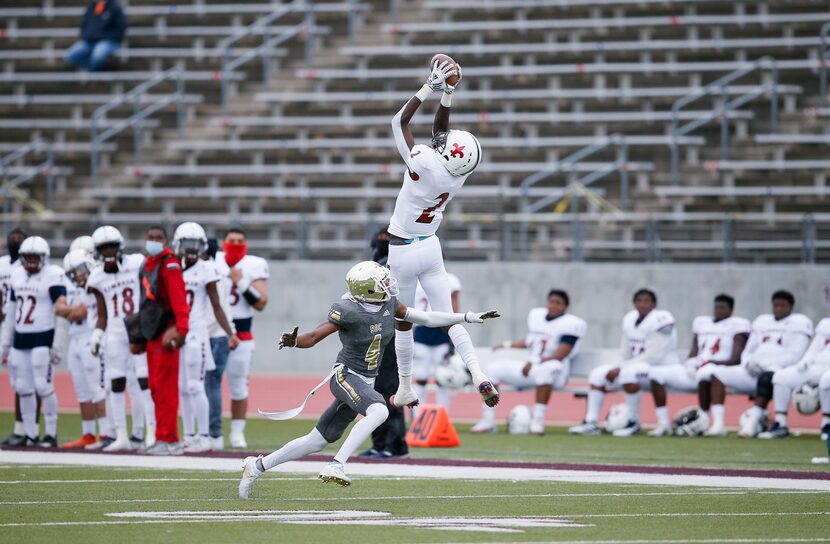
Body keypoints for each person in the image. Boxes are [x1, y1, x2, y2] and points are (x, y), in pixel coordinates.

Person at [238, 261, 498, 497]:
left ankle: (257, 465)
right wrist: (295, 341)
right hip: (345, 375)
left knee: (316, 440)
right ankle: (336, 465)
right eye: (382, 282)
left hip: (365, 381)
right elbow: (316, 336)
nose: (388, 284)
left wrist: (466, 317)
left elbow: (428, 317)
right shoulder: (348, 311)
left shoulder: (388, 303)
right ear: (368, 289)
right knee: (379, 410)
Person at [387, 57, 497, 411]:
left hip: (402, 248)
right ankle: (478, 372)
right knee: (448, 316)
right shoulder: (458, 173)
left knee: (403, 319)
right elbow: (441, 136)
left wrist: (428, 88)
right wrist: (447, 94)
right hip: (431, 246)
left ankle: (405, 386)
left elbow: (399, 122)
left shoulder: (423, 161)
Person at [472, 289, 586, 435]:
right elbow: (530, 341)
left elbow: (561, 354)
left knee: (546, 370)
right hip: (532, 368)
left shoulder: (571, 324)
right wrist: (506, 345)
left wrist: (535, 361)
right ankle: (488, 420)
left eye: (559, 303)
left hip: (556, 371)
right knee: (492, 369)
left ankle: (537, 422)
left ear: (566, 307)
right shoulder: (538, 317)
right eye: (551, 302)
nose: (554, 305)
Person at [569, 289, 677, 437]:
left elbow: (654, 355)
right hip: (635, 368)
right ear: (634, 303)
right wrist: (617, 366)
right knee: (597, 375)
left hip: (661, 368)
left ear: (654, 304)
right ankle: (591, 422)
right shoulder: (629, 319)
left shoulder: (662, 319)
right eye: (639, 301)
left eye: (646, 301)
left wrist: (622, 368)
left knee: (628, 373)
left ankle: (634, 423)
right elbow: (624, 352)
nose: (642, 304)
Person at [87, 225, 155, 451]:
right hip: (115, 332)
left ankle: (151, 433)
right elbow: (102, 314)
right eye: (103, 248)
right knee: (115, 382)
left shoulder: (136, 262)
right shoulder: (96, 277)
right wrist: (97, 336)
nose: (108, 251)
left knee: (145, 381)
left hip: (137, 328)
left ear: (119, 247)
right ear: (97, 250)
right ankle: (121, 436)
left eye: (111, 246)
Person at [710, 290, 812, 438]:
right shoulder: (762, 321)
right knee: (717, 374)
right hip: (752, 369)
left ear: (791, 307)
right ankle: (718, 424)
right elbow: (749, 348)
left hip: (778, 370)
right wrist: (747, 362)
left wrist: (767, 364)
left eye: (783, 306)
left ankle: (752, 423)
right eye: (776, 306)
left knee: (766, 377)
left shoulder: (799, 322)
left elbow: (795, 355)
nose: (779, 309)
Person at [173, 223, 238, 453]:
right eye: (187, 243)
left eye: (195, 243)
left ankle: (204, 436)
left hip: (197, 334)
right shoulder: (173, 267)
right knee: (182, 387)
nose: (191, 248)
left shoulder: (206, 269)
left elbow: (217, 306)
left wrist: (230, 332)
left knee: (195, 386)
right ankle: (189, 436)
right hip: (178, 333)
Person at [0, 237, 70, 447]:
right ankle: (30, 434)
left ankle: (50, 434)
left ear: (44, 258)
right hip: (20, 338)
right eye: (27, 257)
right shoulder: (18, 274)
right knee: (22, 387)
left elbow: (61, 311)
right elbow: (10, 313)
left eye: (35, 257)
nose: (30, 262)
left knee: (43, 385)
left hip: (43, 335)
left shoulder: (53, 275)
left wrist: (57, 343)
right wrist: (5, 344)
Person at [214, 227, 269, 448]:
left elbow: (261, 303)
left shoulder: (253, 265)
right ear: (222, 243)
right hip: (214, 332)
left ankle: (237, 432)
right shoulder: (212, 261)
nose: (235, 243)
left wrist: (241, 282)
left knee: (238, 387)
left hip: (242, 333)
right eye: (231, 240)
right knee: (208, 385)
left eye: (239, 240)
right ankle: (212, 431)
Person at [359, 226, 409, 459]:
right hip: (389, 334)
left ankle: (386, 444)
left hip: (389, 334)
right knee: (386, 390)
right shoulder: (387, 264)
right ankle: (393, 443)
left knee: (383, 389)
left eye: (386, 238)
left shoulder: (389, 268)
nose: (382, 241)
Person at [139, 226, 190, 455]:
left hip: (166, 331)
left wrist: (181, 330)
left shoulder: (169, 264)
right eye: (151, 237)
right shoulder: (146, 263)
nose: (154, 241)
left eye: (158, 238)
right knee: (155, 388)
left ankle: (169, 439)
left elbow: (180, 301)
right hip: (153, 331)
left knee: (166, 388)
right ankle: (161, 436)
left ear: (166, 240)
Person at [61, 248, 112, 448]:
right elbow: (65, 310)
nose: (78, 275)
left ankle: (107, 433)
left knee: (98, 388)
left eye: (80, 269)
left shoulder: (98, 282)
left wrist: (69, 311)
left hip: (94, 338)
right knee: (83, 390)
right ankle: (89, 434)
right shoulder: (83, 288)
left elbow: (78, 313)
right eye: (74, 272)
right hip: (78, 340)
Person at [689, 294, 751, 436]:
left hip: (725, 368)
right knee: (658, 375)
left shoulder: (737, 325)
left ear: (731, 309)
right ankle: (702, 421)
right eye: (716, 307)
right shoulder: (701, 323)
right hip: (700, 367)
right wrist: (690, 363)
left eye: (722, 307)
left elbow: (736, 358)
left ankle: (718, 424)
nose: (718, 310)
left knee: (711, 372)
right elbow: (693, 352)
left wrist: (711, 362)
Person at [758, 316, 830, 439]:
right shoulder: (825, 323)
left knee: (826, 380)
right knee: (780, 377)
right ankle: (780, 424)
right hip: (818, 366)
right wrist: (805, 361)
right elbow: (815, 347)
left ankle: (827, 425)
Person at [412, 270, 462, 418]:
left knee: (441, 378)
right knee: (425, 378)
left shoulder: (416, 278)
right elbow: (454, 306)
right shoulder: (450, 278)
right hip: (432, 328)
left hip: (429, 328)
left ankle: (433, 418)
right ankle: (422, 417)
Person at [203, 238, 238, 450]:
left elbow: (216, 309)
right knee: (211, 385)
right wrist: (231, 332)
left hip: (208, 334)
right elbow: (224, 307)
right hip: (220, 333)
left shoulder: (205, 271)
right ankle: (212, 434)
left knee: (204, 385)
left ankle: (209, 433)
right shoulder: (220, 271)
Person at [0, 227, 32, 447]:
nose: (16, 242)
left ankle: (26, 429)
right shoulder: (1, 263)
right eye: (13, 239)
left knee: (26, 381)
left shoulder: (30, 266)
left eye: (20, 240)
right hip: (4, 324)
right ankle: (22, 429)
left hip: (23, 326)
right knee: (16, 381)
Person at [64, 0, 126, 72]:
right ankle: (95, 69)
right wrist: (86, 36)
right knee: (69, 56)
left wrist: (103, 37)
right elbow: (84, 25)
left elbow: (119, 29)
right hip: (90, 41)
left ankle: (93, 72)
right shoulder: (92, 6)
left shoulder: (115, 7)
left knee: (98, 55)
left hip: (107, 41)